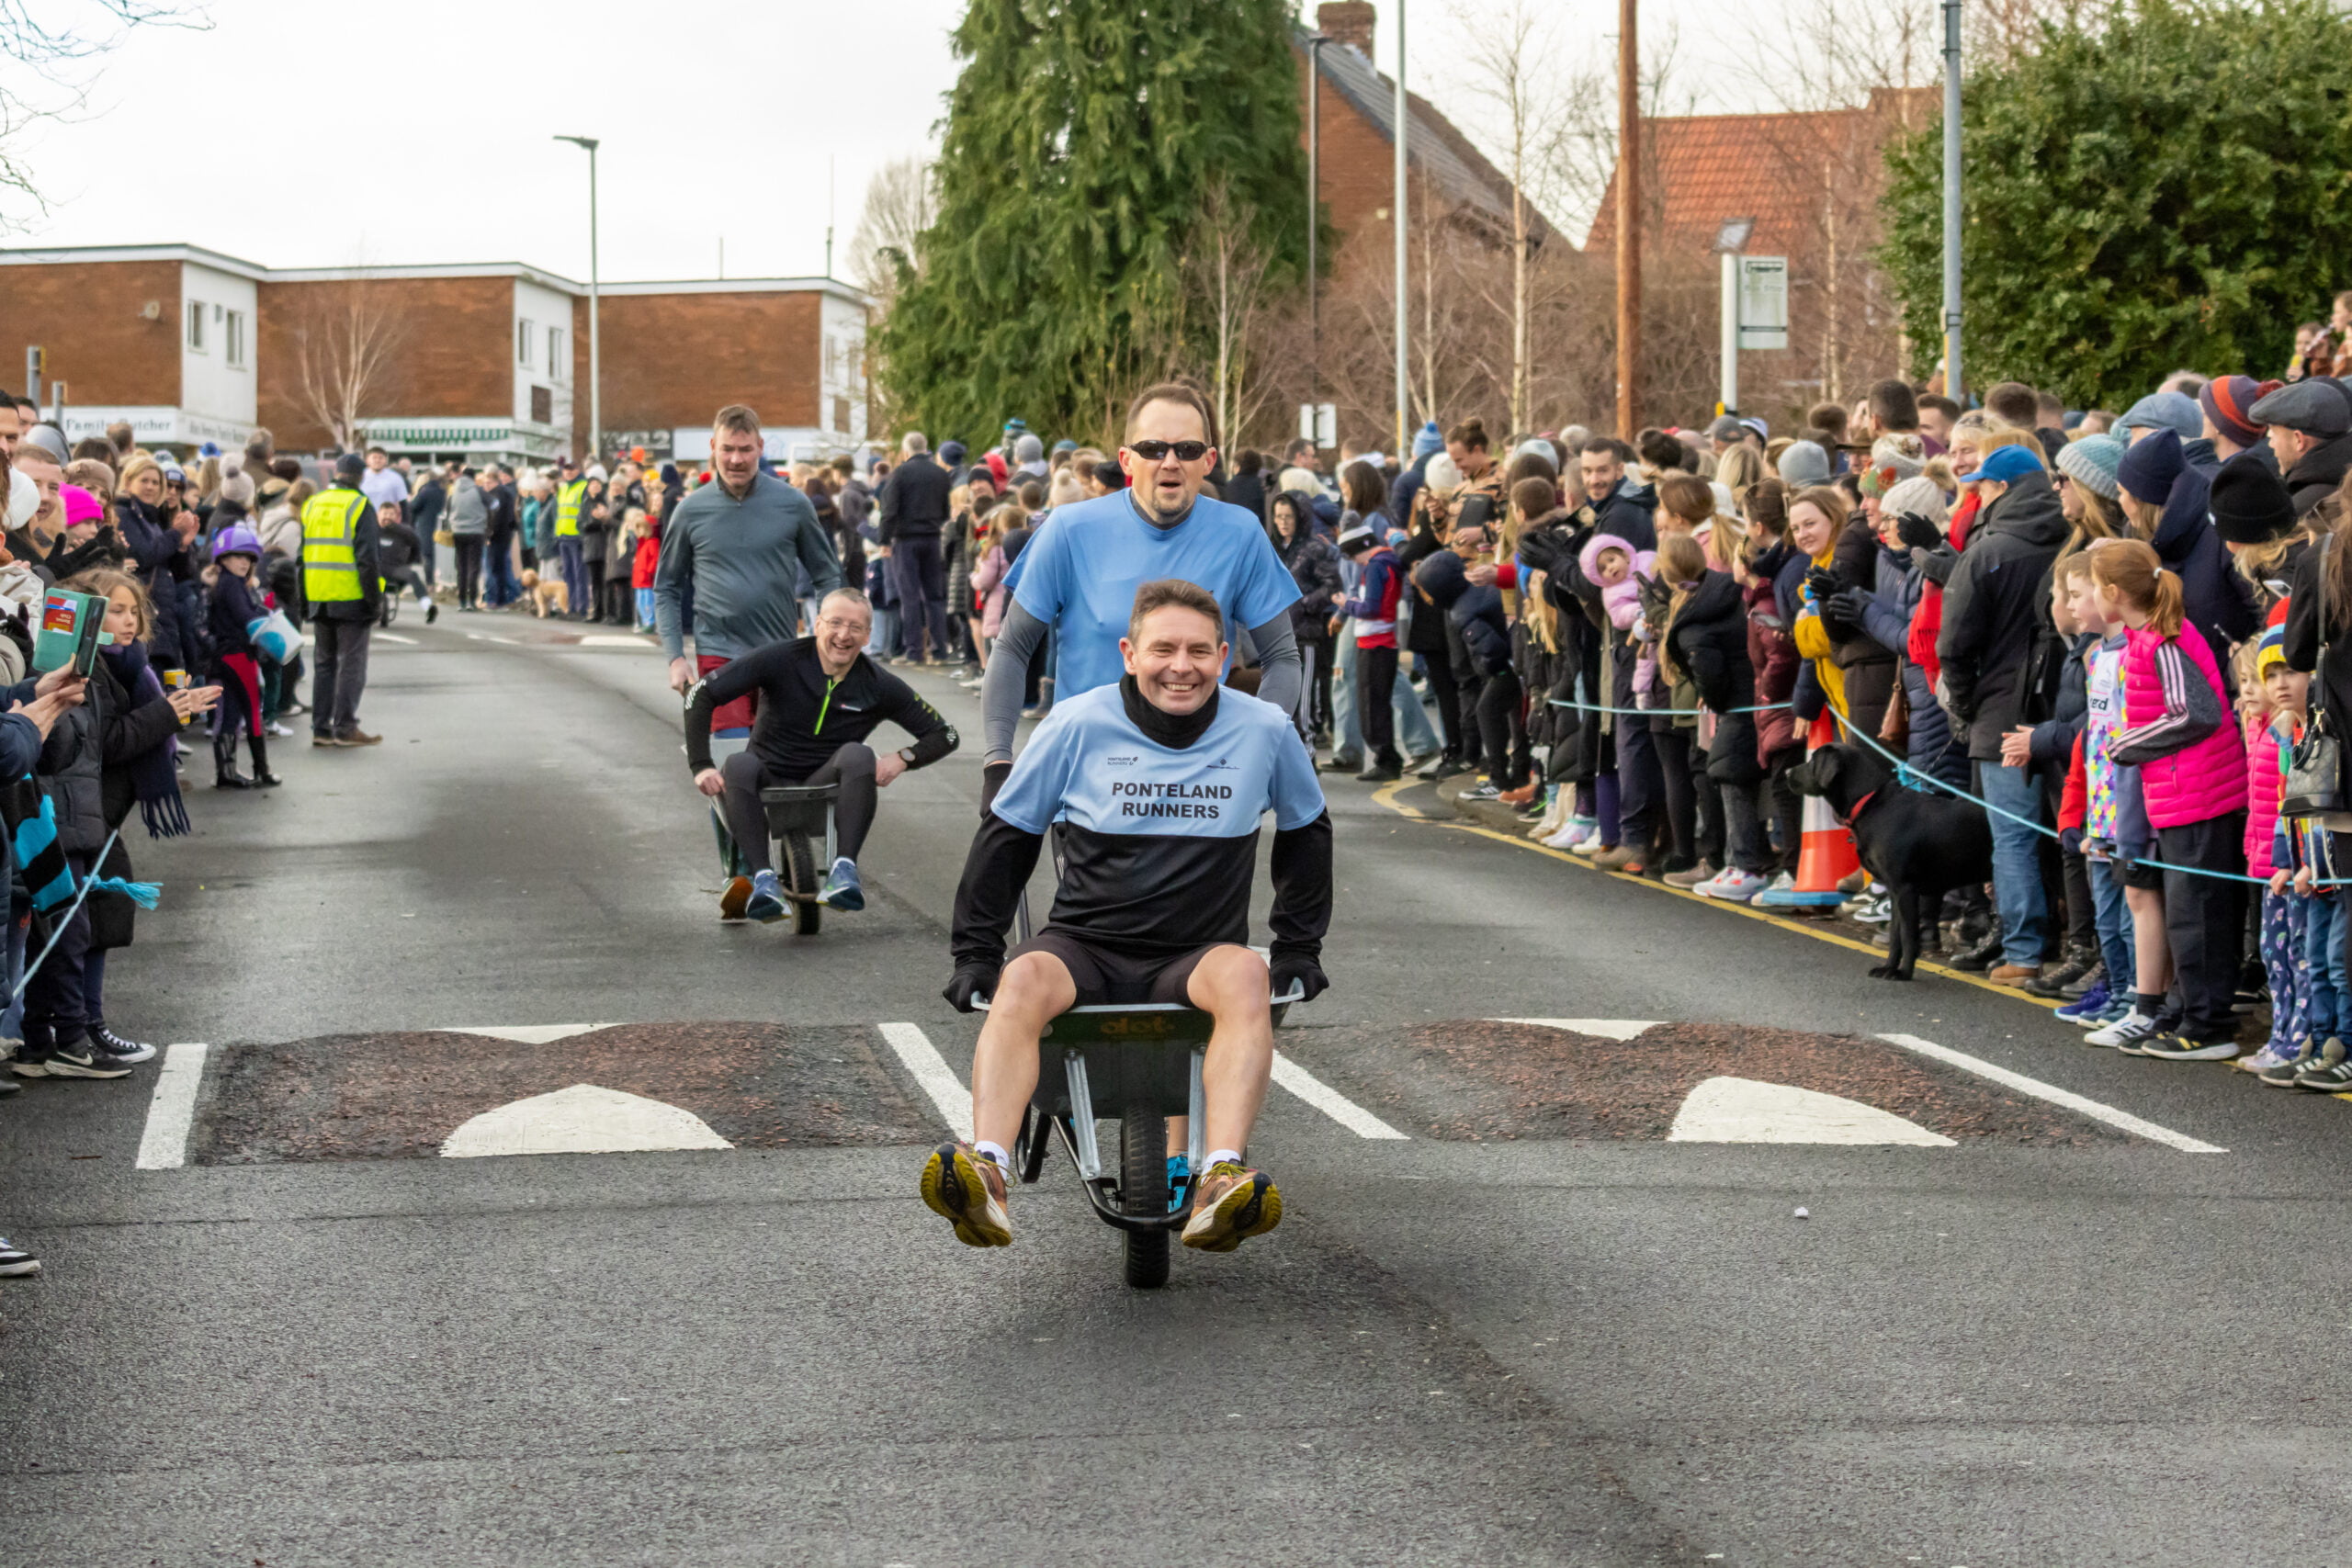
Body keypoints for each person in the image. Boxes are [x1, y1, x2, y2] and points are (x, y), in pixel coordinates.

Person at [929, 580, 1330, 1252]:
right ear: (1128, 653)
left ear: (1226, 657)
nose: (1183, 665)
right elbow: (1007, 834)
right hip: (1086, 944)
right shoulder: (1078, 723)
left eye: (1200, 650)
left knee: (1246, 976)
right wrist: (974, 951)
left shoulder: (1264, 729)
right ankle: (988, 1167)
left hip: (1196, 955)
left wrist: (1299, 947)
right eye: (1164, 648)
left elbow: (1307, 830)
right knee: (1020, 979)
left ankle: (1219, 1176)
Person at [978, 384, 1303, 799]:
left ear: (1209, 460)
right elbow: (1011, 648)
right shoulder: (1068, 530)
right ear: (1126, 459)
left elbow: (1282, 658)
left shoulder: (1240, 533)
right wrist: (997, 762)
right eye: (1153, 448)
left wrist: (1258, 751)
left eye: (1187, 449)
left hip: (1204, 789)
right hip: (1088, 787)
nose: (1170, 461)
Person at [684, 588, 956, 920]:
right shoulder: (781, 659)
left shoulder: (878, 684)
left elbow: (946, 734)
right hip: (763, 775)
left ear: (868, 635)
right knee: (737, 763)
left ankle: (844, 871)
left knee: (859, 755)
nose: (844, 635)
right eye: (835, 623)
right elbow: (700, 694)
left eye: (856, 627)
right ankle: (763, 880)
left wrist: (903, 758)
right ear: (817, 624)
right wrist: (701, 765)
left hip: (824, 778)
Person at [2097, 540, 2248, 1059]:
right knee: (2188, 912)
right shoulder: (2150, 637)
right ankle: (2189, 1009)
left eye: (2097, 587)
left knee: (2199, 914)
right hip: (2182, 792)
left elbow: (2195, 714)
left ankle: (2210, 1025)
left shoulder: (2165, 640)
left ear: (2115, 592)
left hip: (2199, 793)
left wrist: (2127, 744)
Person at [656, 406, 847, 728]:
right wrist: (676, 658)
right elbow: (666, 587)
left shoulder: (794, 504)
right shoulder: (690, 510)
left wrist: (828, 634)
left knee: (777, 762)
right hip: (718, 654)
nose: (736, 459)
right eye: (728, 449)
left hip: (781, 655)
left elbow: (827, 574)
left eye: (745, 450)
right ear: (713, 447)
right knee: (731, 760)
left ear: (761, 447)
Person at [300, 452, 384, 747]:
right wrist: (374, 602)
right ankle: (346, 727)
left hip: (319, 595)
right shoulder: (360, 506)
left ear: (336, 473)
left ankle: (320, 728)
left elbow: (302, 556)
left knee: (324, 665)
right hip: (351, 597)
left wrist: (304, 600)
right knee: (351, 663)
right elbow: (368, 561)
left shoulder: (312, 504)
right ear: (361, 476)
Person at [206, 525, 279, 788]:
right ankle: (263, 771)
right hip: (239, 656)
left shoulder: (222, 583)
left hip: (222, 658)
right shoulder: (234, 585)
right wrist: (265, 617)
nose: (244, 562)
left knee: (230, 714)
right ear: (223, 559)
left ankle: (226, 772)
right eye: (238, 556)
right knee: (253, 712)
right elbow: (245, 618)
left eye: (248, 558)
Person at [876, 431, 954, 662]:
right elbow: (946, 509)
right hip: (932, 538)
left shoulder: (899, 473)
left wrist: (883, 539)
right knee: (935, 596)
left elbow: (889, 510)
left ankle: (915, 651)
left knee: (909, 596)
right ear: (926, 447)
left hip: (906, 540)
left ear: (906, 450)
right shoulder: (940, 474)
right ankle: (940, 649)